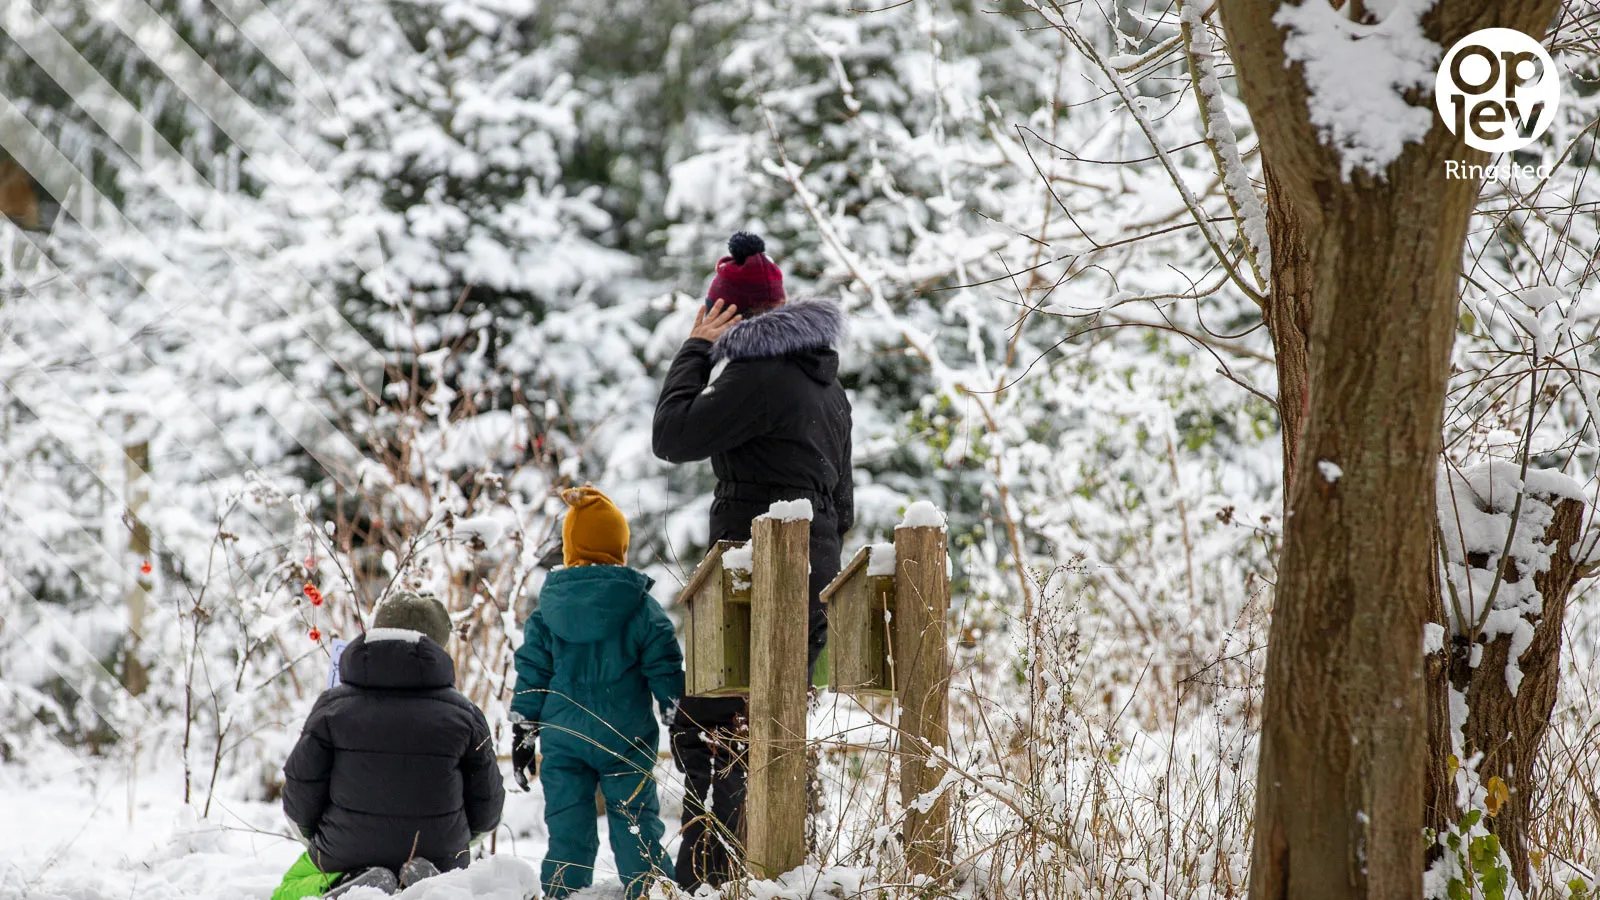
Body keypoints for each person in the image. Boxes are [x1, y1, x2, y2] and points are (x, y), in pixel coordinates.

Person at [652, 231, 854, 889]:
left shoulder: (758, 377)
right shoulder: (826, 387)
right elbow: (842, 502)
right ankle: (785, 863)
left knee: (716, 727)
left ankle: (715, 876)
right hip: (812, 564)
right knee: (776, 723)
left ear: (728, 315)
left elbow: (672, 436)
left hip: (754, 573)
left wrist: (696, 350)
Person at [509, 486, 684, 900]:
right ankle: (652, 891)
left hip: (564, 741)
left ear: (570, 549)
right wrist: (678, 720)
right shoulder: (641, 608)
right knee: (636, 820)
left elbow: (531, 674)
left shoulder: (547, 612)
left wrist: (523, 731)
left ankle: (563, 891)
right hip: (626, 736)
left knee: (567, 825)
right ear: (619, 548)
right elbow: (665, 666)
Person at [274, 592, 505, 899]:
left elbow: (299, 793)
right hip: (441, 851)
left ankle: (346, 885)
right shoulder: (465, 714)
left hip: (345, 851)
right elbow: (488, 808)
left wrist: (321, 840)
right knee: (457, 875)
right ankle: (430, 885)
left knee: (289, 888)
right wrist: (455, 841)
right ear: (436, 649)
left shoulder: (332, 707)